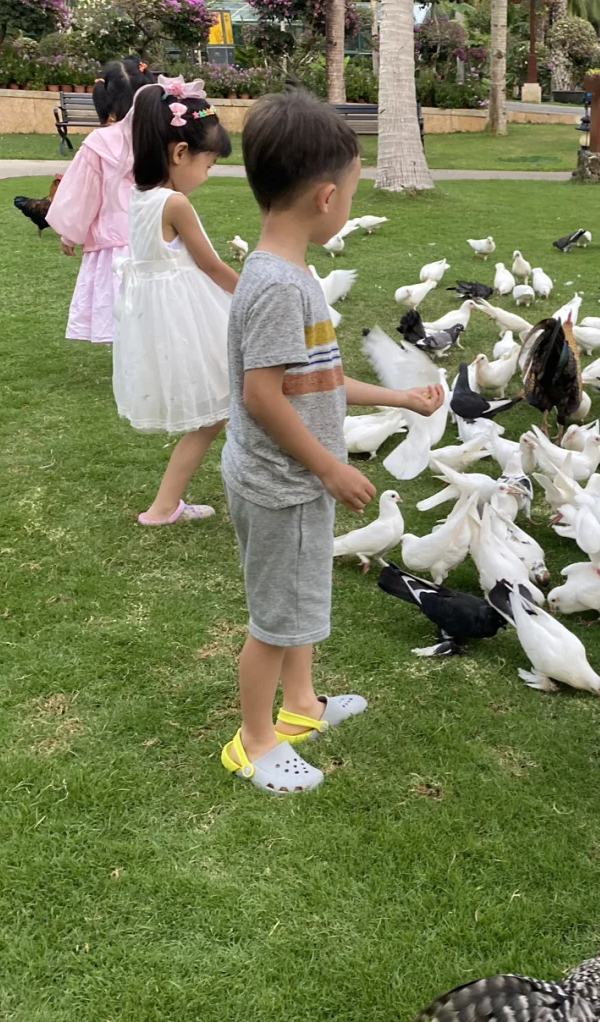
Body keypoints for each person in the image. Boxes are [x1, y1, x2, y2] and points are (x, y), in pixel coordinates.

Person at [219, 91, 444, 794]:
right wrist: (328, 466)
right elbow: (263, 395)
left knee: (300, 601)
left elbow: (318, 378)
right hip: (282, 483)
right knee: (273, 620)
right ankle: (253, 743)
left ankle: (301, 708)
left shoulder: (291, 277)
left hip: (298, 480)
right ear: (325, 198)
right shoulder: (280, 288)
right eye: (350, 189)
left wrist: (400, 397)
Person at [113, 75, 236, 526]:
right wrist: (257, 295)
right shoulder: (174, 203)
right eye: (207, 165)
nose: (205, 176)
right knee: (221, 408)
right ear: (180, 153)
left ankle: (165, 506)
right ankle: (163, 507)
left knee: (218, 412)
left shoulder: (138, 196)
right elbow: (212, 266)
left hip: (163, 320)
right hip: (191, 318)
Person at [46, 56, 154, 344]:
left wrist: (70, 233)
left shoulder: (100, 141)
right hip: (157, 232)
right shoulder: (158, 136)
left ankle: (130, 359)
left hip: (114, 239)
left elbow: (83, 191)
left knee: (120, 306)